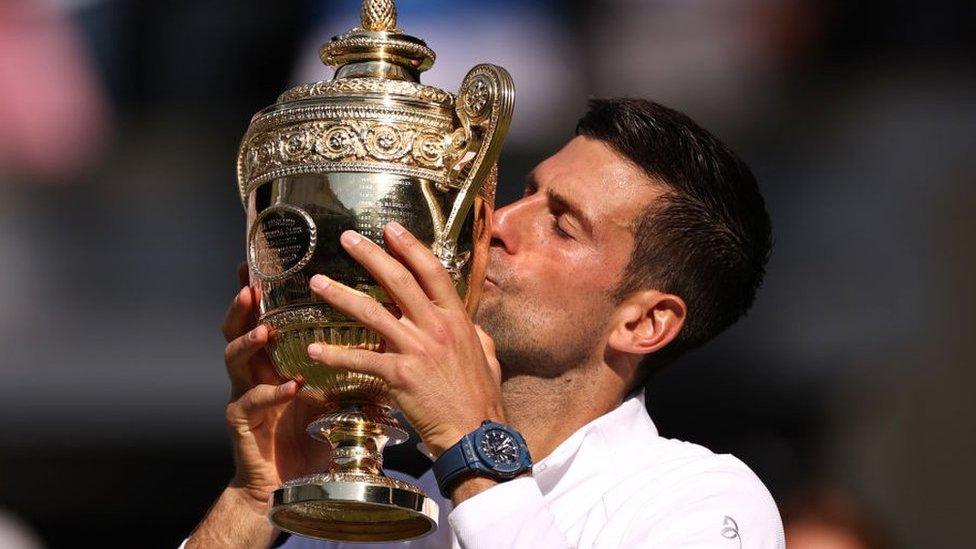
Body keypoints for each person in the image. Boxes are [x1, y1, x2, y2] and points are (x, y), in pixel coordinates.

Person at [184, 99, 783, 548]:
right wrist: (251, 501)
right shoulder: (365, 483)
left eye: (562, 224)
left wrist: (473, 448)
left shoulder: (703, 500)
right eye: (526, 192)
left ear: (645, 323)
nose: (496, 222)